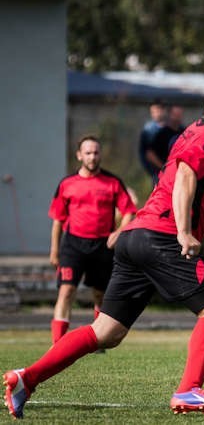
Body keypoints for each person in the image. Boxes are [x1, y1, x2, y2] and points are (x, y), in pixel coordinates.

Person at [4, 77, 204, 419]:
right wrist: (183, 232)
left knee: (106, 331)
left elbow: (171, 182)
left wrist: (203, 227)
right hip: (162, 237)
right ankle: (188, 390)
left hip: (137, 235)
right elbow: (184, 179)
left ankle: (26, 378)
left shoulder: (191, 131)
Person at [48, 136, 137, 345]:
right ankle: (58, 343)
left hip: (102, 246)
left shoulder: (113, 182)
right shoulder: (67, 184)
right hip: (73, 245)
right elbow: (58, 220)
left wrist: (119, 232)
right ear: (79, 155)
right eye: (88, 153)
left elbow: (129, 211)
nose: (92, 156)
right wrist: (54, 251)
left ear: (100, 155)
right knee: (66, 291)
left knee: (100, 294)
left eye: (96, 152)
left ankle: (98, 340)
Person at [138, 98, 167, 184]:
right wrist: (163, 168)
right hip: (157, 173)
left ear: (163, 110)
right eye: (153, 112)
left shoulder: (171, 127)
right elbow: (148, 153)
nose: (156, 114)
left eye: (158, 111)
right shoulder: (149, 130)